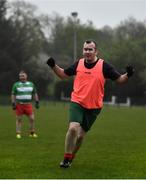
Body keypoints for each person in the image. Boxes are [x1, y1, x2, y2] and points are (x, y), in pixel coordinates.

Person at [46, 39, 134, 168]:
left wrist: (128, 74)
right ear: (83, 51)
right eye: (85, 49)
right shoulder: (78, 64)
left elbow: (120, 79)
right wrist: (53, 66)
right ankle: (66, 158)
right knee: (73, 128)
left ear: (96, 51)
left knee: (81, 136)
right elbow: (63, 75)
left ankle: (71, 157)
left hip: (94, 107)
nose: (87, 52)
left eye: (90, 49)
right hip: (77, 101)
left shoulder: (104, 66)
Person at [11, 70, 39, 139]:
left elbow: (35, 93)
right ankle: (18, 133)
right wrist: (13, 103)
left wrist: (37, 101)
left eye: (23, 76)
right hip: (19, 104)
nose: (21, 77)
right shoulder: (16, 85)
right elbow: (13, 94)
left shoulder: (31, 84)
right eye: (20, 76)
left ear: (26, 76)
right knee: (19, 119)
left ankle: (32, 133)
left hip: (28, 104)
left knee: (32, 119)